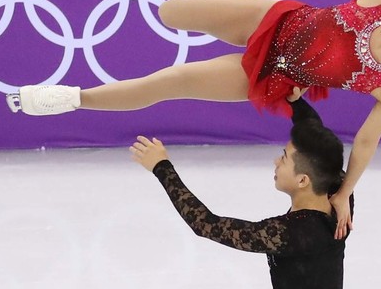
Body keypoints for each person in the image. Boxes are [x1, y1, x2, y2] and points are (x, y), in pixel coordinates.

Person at [6, 0, 381, 237]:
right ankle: (159, 32)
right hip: (274, 17)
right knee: (172, 11)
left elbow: (367, 140)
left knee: (172, 81)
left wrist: (343, 191)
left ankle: (71, 98)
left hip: (275, 72)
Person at [130, 98, 354, 289]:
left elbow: (205, 224)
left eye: (284, 157)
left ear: (303, 180)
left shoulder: (289, 233)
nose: (277, 162)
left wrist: (161, 167)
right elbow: (315, 131)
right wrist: (293, 98)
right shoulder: (338, 197)